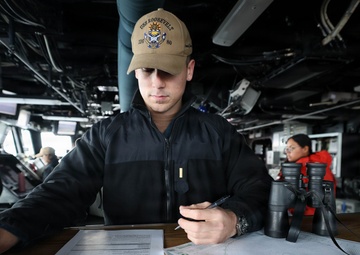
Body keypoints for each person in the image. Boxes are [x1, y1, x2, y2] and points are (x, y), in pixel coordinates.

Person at [0, 9, 272, 253]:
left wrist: (234, 219)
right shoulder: (105, 134)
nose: (157, 83)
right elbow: (60, 193)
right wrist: (8, 229)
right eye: (147, 70)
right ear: (135, 72)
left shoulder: (219, 132)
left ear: (189, 70)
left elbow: (260, 189)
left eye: (169, 70)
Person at [280, 133, 337, 215]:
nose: (287, 152)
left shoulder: (310, 168)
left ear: (305, 149)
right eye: (287, 149)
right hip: (309, 215)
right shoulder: (301, 166)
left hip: (309, 217)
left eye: (292, 148)